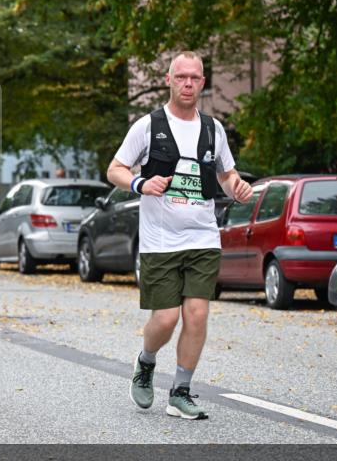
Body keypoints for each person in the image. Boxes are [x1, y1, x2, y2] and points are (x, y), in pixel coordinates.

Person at [108, 51, 253, 421]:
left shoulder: (213, 129)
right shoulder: (147, 125)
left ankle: (180, 392)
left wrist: (237, 187)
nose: (188, 84)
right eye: (181, 77)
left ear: (203, 83)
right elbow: (115, 170)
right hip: (160, 240)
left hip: (203, 236)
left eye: (195, 78)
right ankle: (146, 361)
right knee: (167, 318)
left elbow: (226, 174)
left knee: (197, 314)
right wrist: (141, 182)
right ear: (169, 79)